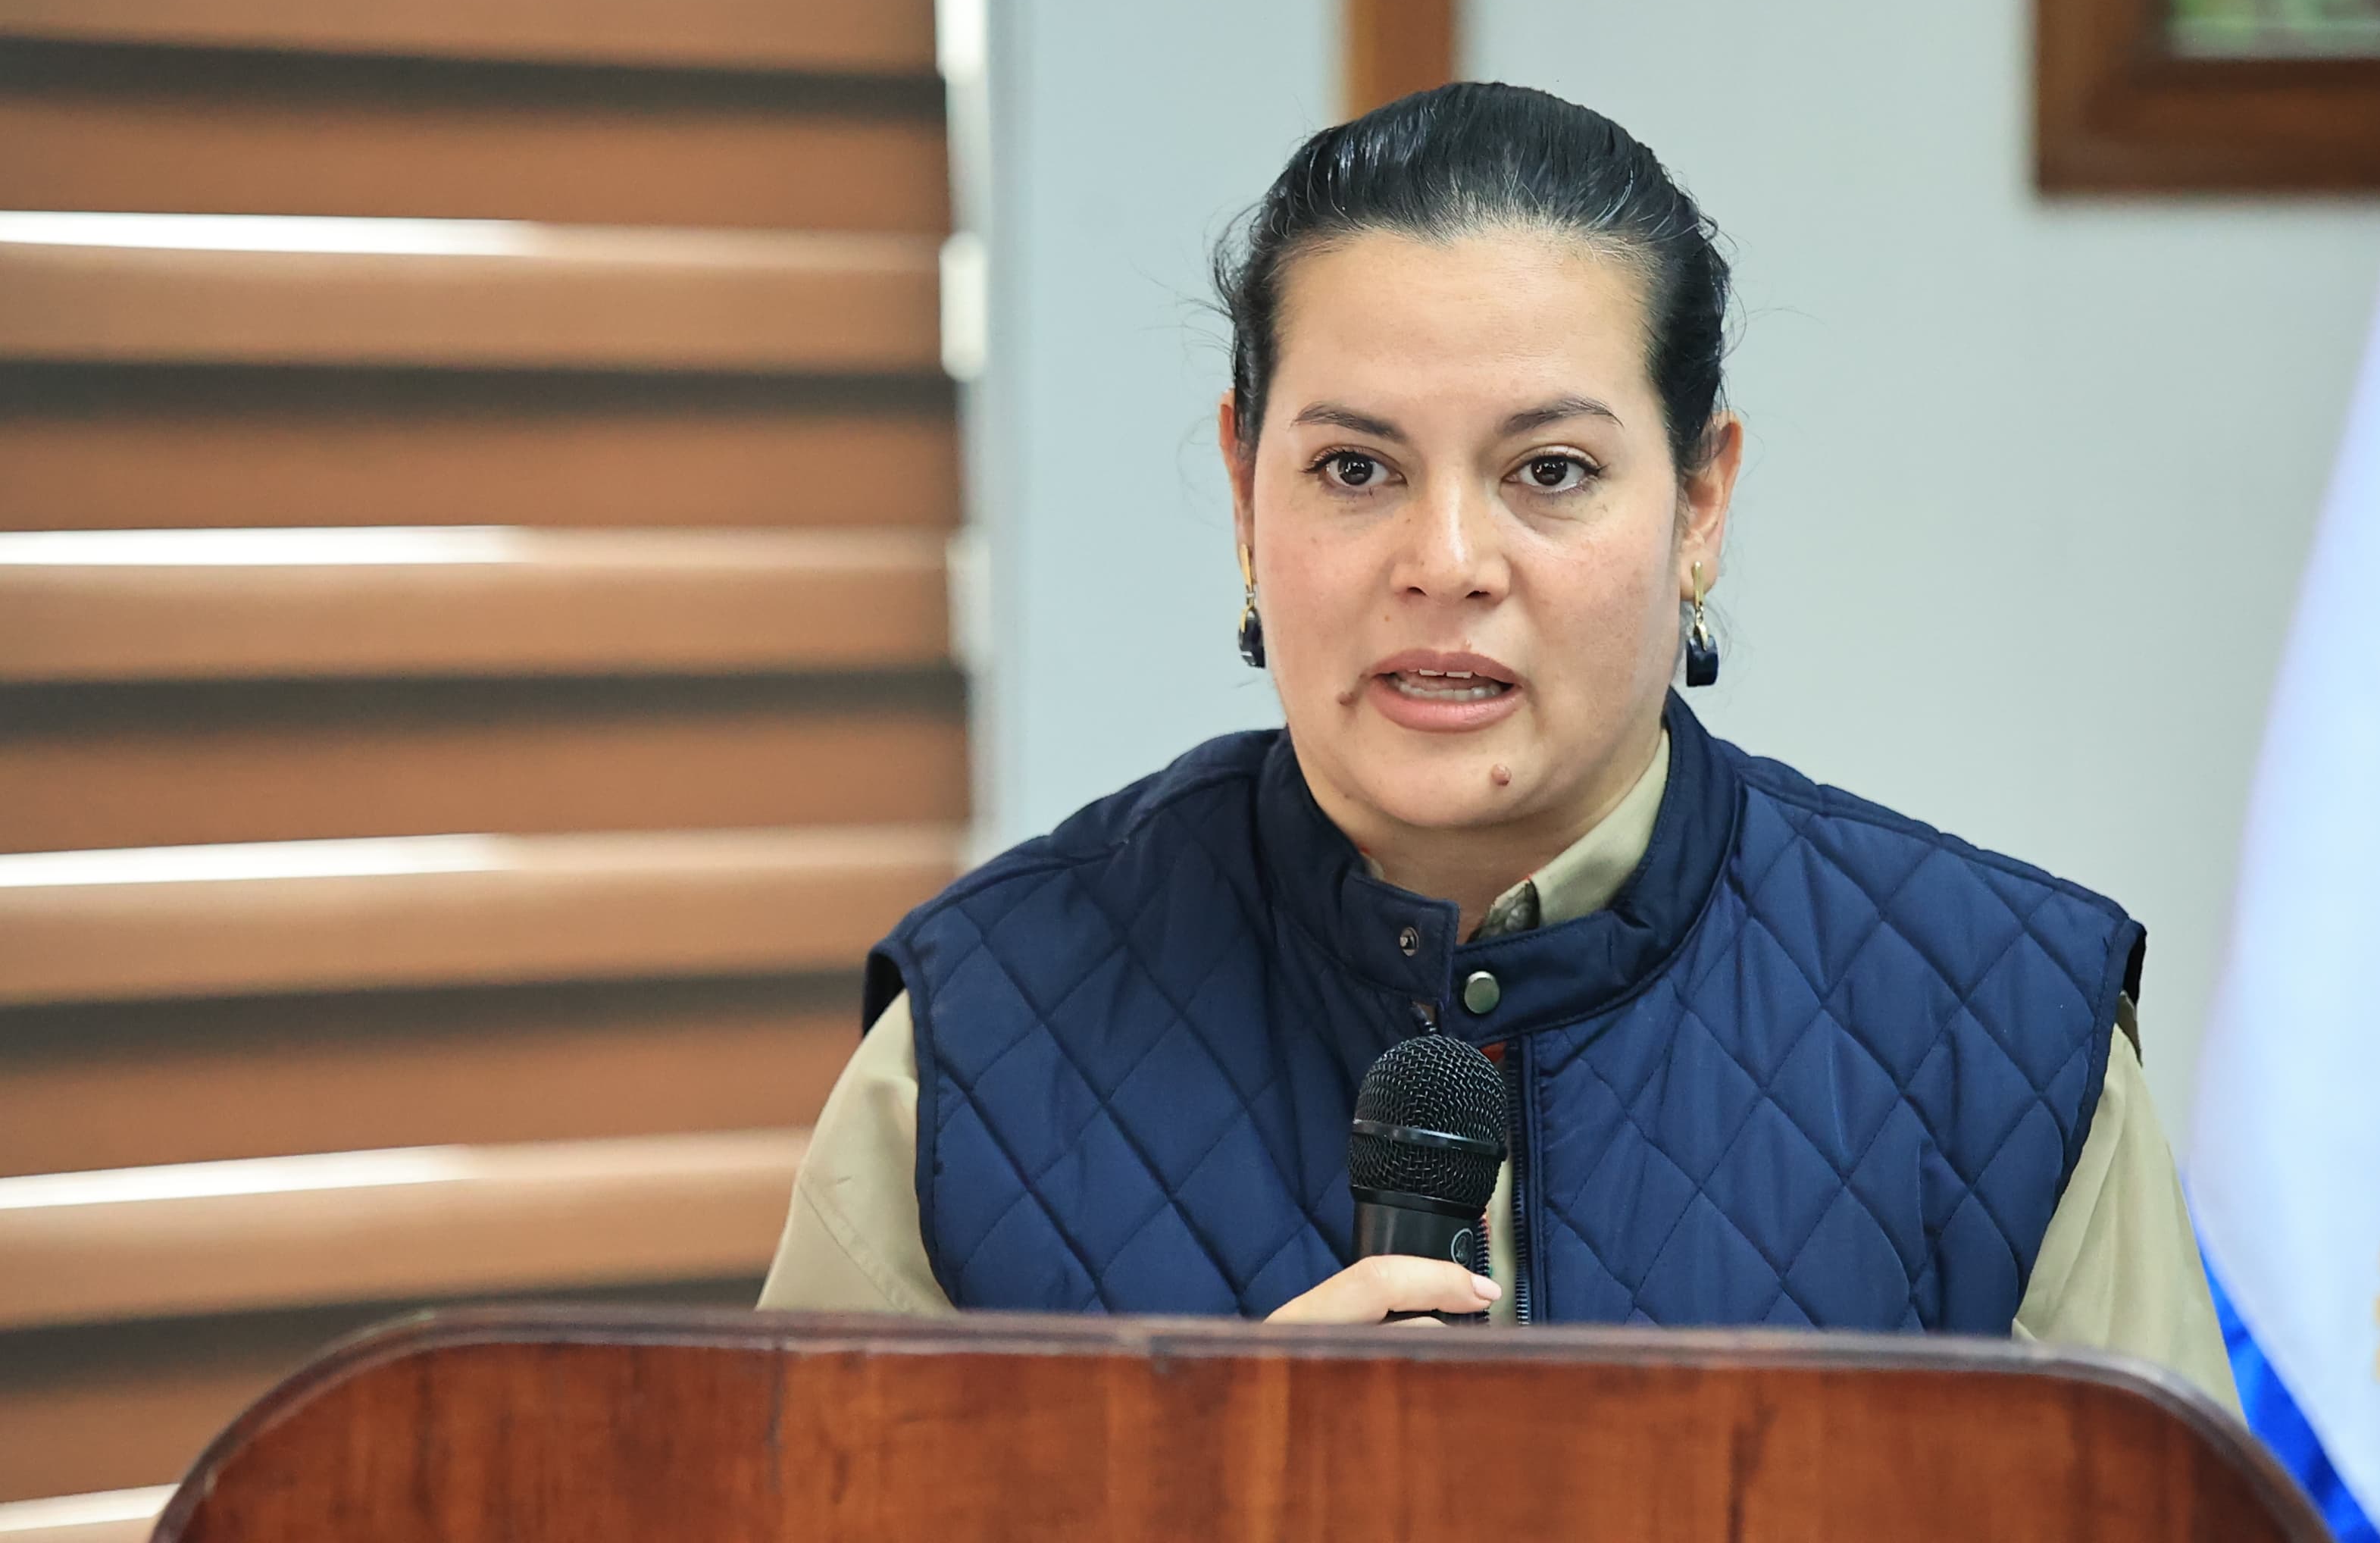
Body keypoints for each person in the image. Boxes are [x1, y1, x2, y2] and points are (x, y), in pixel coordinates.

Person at [758, 83, 2238, 1411]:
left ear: (1701, 504)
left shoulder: (2002, 1041)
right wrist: (1194, 1493)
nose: (1447, 562)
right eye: (1355, 467)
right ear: (1244, 490)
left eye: (1551, 469)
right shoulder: (975, 1042)